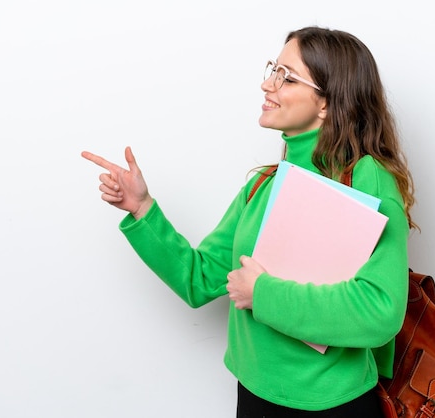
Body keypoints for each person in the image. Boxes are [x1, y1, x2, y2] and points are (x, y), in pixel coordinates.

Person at [82, 26, 415, 417]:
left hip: (332, 405)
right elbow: (199, 278)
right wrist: (142, 208)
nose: (266, 84)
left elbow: (381, 311)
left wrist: (262, 295)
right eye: (273, 69)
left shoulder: (366, 177)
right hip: (254, 396)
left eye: (285, 77)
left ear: (326, 102)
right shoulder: (264, 184)